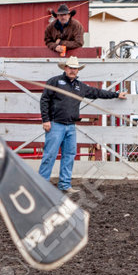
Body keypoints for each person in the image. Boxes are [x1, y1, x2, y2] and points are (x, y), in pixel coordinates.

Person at [39, 56, 123, 192]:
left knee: (69, 155)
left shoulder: (80, 86)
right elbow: (45, 100)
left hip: (70, 125)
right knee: (50, 155)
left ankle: (65, 184)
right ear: (65, 68)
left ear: (78, 70)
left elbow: (97, 92)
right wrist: (46, 120)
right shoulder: (54, 82)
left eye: (75, 68)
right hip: (55, 124)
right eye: (71, 68)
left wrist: (116, 94)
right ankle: (41, 185)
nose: (73, 70)